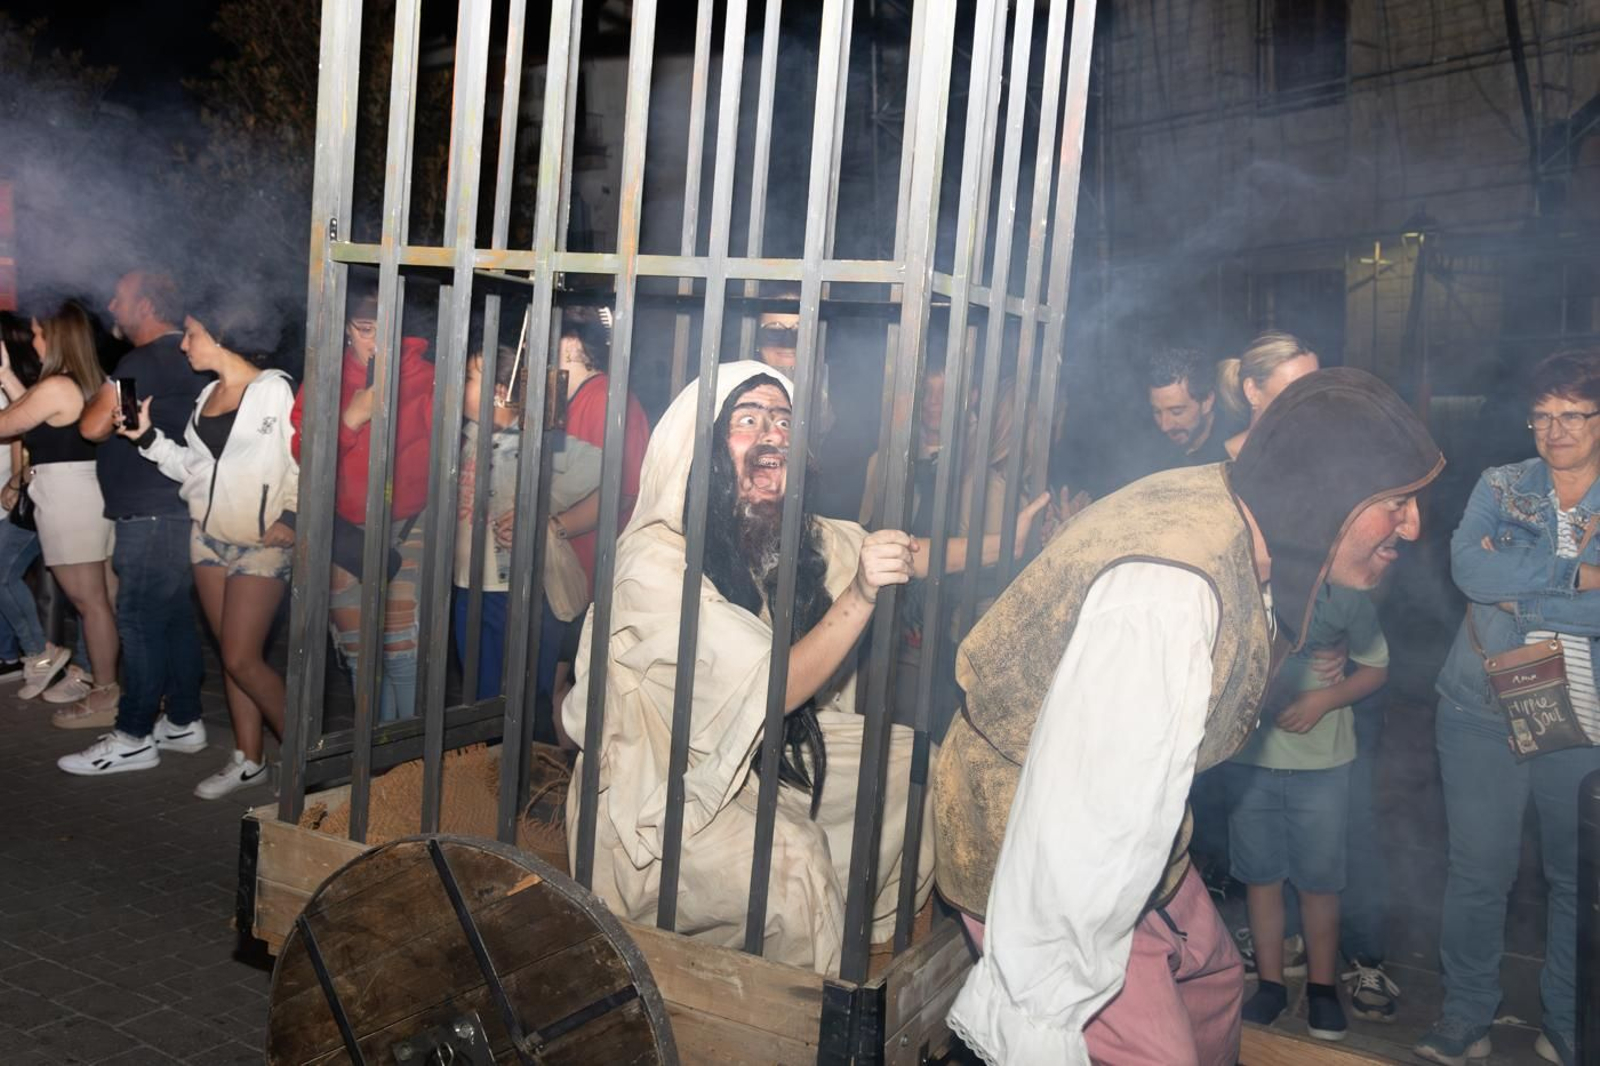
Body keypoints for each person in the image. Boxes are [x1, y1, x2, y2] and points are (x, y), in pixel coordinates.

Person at [932, 368, 1443, 1064]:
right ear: (1329, 496)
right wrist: (1047, 1007)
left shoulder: (1247, 518)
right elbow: (1089, 811)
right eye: (1397, 502)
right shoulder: (1168, 594)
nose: (1413, 526)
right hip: (1039, 844)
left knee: (1210, 980)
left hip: (1128, 826)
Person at [563, 361, 935, 975]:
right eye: (747, 419)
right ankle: (809, 1020)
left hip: (748, 763)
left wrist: (1027, 540)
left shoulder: (757, 534)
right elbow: (773, 688)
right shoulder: (654, 562)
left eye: (784, 420)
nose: (773, 434)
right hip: (656, 806)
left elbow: (899, 552)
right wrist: (861, 596)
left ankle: (862, 942)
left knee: (910, 764)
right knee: (793, 863)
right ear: (700, 450)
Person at [1417, 348, 1600, 1066]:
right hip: (1481, 708)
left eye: (1574, 415)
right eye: (1543, 416)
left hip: (1584, 721)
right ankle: (1466, 1019)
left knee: (1575, 880)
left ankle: (1568, 1022)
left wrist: (1516, 591)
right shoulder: (1501, 483)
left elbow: (1496, 578)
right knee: (1477, 871)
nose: (1556, 430)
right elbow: (1468, 566)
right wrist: (1573, 574)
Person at [112, 304, 298, 798]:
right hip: (207, 539)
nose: (183, 343)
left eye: (191, 333)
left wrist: (294, 516)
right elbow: (194, 469)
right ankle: (248, 759)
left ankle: (308, 763)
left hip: (261, 543)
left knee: (241, 658)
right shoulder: (207, 395)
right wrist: (147, 437)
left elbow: (305, 456)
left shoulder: (273, 390)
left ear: (220, 335)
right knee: (232, 657)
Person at [64, 271, 209, 767]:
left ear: (146, 305)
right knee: (172, 621)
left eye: (120, 298)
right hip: (178, 509)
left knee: (140, 623)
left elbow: (94, 424)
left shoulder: (143, 360)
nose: (112, 305)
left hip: (149, 515)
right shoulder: (191, 358)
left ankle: (133, 736)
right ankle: (185, 720)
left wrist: (100, 400)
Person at [289, 292, 433, 722]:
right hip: (344, 529)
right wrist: (350, 419)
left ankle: (404, 766)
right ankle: (372, 763)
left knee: (400, 650)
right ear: (347, 329)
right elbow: (304, 455)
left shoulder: (425, 376)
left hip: (408, 524)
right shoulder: (324, 379)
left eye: (384, 329)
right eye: (365, 329)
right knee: (358, 653)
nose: (375, 341)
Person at [0, 305, 120, 729]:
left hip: (69, 497)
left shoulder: (56, 386)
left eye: (37, 333)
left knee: (92, 604)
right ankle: (106, 687)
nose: (33, 341)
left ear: (55, 337)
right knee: (101, 599)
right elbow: (35, 418)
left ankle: (105, 695)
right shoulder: (83, 381)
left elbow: (7, 423)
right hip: (86, 491)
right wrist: (6, 376)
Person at [0, 312, 51, 686]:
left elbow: (23, 436)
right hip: (19, 491)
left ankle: (38, 657)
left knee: (4, 575)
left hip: (18, 494)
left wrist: (17, 480)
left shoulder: (23, 386)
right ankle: (11, 655)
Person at [1219, 331, 1320, 459]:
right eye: (1293, 389)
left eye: (1316, 386)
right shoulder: (1212, 467)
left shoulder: (1322, 456)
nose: (1310, 399)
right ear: (1252, 392)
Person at [1146, 346, 1232, 466]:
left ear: (1207, 402)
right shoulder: (1152, 452)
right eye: (1157, 412)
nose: (1165, 426)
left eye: (1176, 412)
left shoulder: (1233, 455)